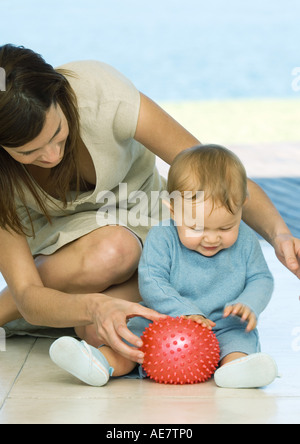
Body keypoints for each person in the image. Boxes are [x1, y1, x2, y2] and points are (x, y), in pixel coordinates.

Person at [0, 44, 299, 364]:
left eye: (57, 134)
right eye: (28, 153)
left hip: (144, 214)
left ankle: (80, 323)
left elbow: (215, 177)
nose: (51, 156)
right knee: (114, 252)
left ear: (61, 95)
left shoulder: (102, 94)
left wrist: (279, 234)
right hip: (65, 250)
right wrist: (94, 306)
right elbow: (29, 293)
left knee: (112, 329)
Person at [50, 145, 278, 389]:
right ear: (173, 209)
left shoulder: (245, 238)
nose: (212, 239)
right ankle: (99, 362)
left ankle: (236, 369)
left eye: (225, 228)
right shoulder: (162, 236)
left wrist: (249, 303)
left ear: (242, 206)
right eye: (196, 228)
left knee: (238, 340)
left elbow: (261, 277)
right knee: (133, 341)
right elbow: (152, 281)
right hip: (164, 323)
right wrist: (184, 312)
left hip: (223, 324)